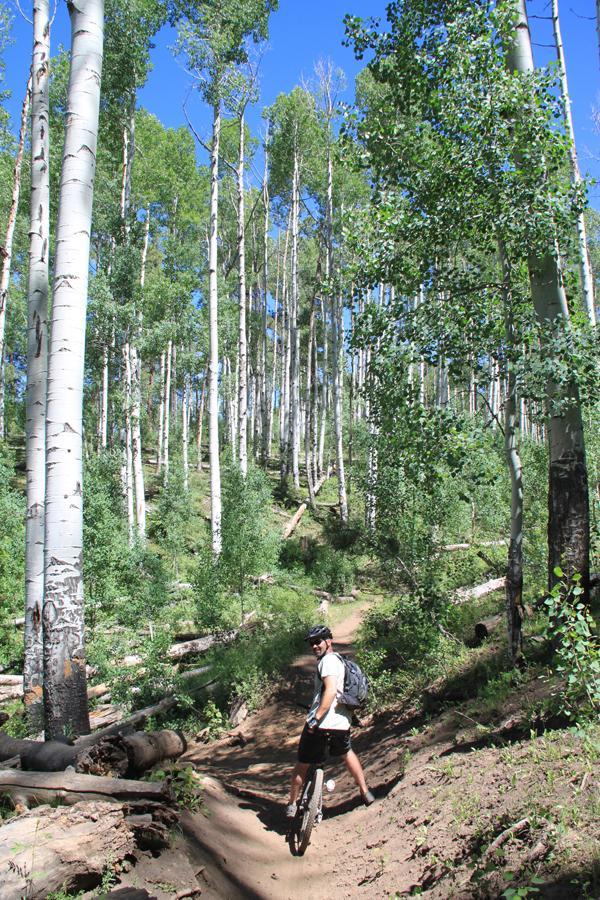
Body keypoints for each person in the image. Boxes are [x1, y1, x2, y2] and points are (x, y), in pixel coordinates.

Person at [286, 624, 374, 818]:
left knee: (303, 762)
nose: (314, 646)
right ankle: (365, 791)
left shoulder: (328, 661)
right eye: (311, 643)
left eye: (318, 641)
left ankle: (292, 803)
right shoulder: (341, 662)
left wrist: (316, 719)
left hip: (321, 723)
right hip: (341, 724)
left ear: (329, 641)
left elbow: (331, 691)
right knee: (347, 752)